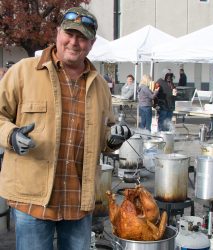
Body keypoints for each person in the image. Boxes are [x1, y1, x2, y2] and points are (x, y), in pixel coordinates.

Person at [0, 6, 131, 250]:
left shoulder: (101, 86)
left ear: (91, 44)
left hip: (78, 202)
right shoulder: (24, 72)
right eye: (69, 34)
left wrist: (113, 141)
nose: (74, 42)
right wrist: (11, 134)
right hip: (33, 200)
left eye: (82, 37)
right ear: (58, 33)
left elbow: (104, 136)